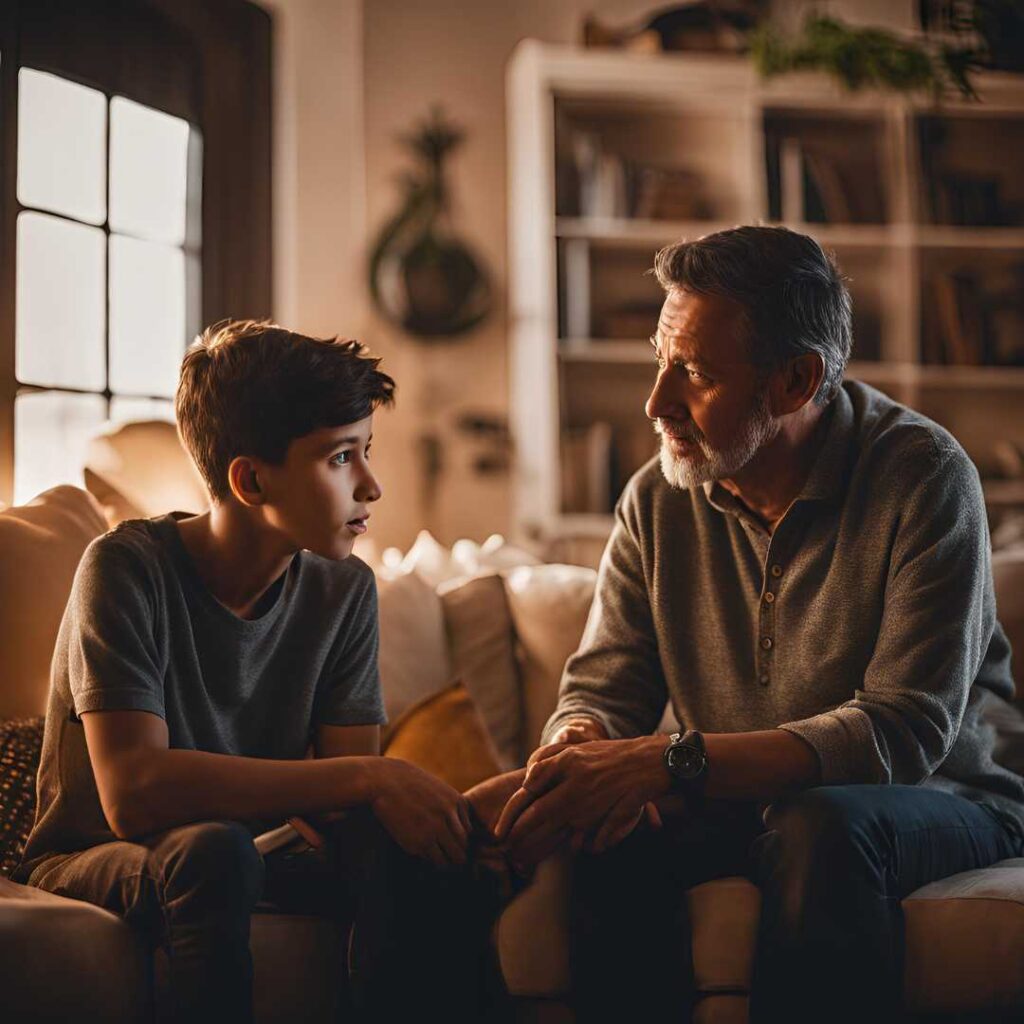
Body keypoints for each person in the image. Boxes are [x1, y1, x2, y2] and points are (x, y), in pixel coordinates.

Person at [493, 226, 1024, 1023]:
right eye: (659, 359)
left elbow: (903, 734)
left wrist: (672, 763)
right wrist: (582, 737)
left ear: (795, 381)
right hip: (741, 798)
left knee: (821, 822)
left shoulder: (924, 476)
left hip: (944, 800)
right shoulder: (656, 497)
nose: (656, 402)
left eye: (695, 374)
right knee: (606, 822)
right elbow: (607, 680)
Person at [15, 320, 505, 1023]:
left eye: (366, 451)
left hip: (254, 849)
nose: (371, 485)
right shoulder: (125, 569)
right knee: (213, 854)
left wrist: (454, 824)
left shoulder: (344, 591)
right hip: (98, 855)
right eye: (340, 458)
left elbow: (340, 799)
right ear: (249, 479)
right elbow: (134, 794)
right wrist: (369, 778)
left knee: (414, 855)